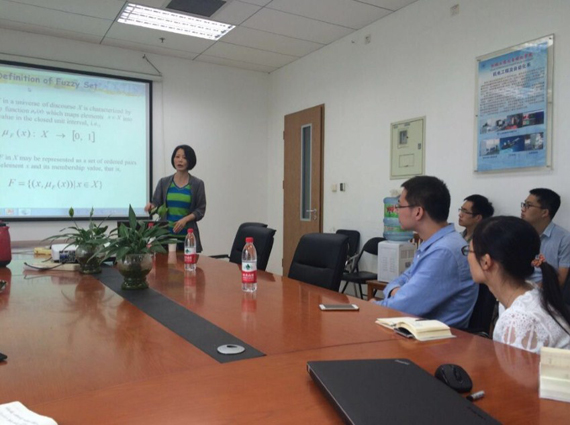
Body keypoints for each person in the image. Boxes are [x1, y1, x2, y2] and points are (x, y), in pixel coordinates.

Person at [373, 176, 477, 328]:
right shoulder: (435, 243)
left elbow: (403, 307)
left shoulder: (444, 251)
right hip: (417, 329)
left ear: (418, 212)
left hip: (437, 338)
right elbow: (403, 279)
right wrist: (397, 292)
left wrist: (374, 306)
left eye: (399, 206)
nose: (396, 211)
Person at [465, 216, 570, 353]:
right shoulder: (527, 292)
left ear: (486, 262)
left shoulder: (520, 319)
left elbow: (516, 368)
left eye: (469, 251)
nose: (467, 257)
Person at [145, 145, 206, 252]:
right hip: (165, 237)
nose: (180, 160)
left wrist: (185, 219)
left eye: (184, 157)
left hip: (187, 237)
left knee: (187, 262)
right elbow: (156, 204)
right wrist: (151, 206)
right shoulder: (164, 182)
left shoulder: (197, 184)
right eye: (177, 157)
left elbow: (200, 210)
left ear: (190, 161)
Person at [521, 188, 570, 286]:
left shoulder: (564, 239)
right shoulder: (519, 234)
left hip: (543, 291)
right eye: (524, 204)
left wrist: (531, 291)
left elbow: (560, 279)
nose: (523, 209)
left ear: (544, 213)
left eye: (528, 205)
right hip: (517, 288)